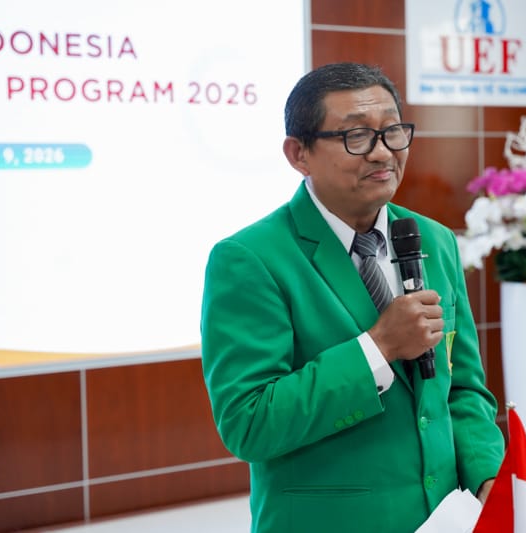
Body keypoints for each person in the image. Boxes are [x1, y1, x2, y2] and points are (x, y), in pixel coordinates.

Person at [200, 62, 505, 533]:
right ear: (299, 154)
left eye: (393, 132)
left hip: (445, 519)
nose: (382, 152)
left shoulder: (435, 239)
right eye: (356, 136)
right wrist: (378, 348)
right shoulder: (249, 258)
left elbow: (462, 389)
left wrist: (488, 476)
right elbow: (249, 422)